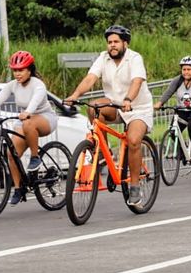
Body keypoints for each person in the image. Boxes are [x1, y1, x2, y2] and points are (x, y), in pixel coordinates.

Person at [65, 25, 153, 207]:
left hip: (137, 107)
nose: (112, 45)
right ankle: (104, 154)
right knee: (93, 108)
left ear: (125, 43)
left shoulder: (134, 58)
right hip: (115, 105)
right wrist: (75, 95)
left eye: (116, 42)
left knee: (133, 140)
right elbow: (90, 78)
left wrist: (129, 98)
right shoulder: (103, 58)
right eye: (109, 42)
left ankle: (135, 186)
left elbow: (137, 81)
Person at [0, 50, 57, 206]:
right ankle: (19, 189)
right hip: (25, 120)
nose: (17, 74)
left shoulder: (38, 85)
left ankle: (35, 157)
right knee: (11, 153)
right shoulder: (12, 85)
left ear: (29, 70)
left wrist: (28, 112)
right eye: (15, 70)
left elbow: (35, 101)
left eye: (21, 70)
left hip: (45, 118)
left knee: (28, 123)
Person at [154, 56, 191, 165]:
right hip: (183, 109)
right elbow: (168, 92)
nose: (186, 72)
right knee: (173, 130)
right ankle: (183, 152)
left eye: (189, 69)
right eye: (184, 69)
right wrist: (160, 103)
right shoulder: (177, 80)